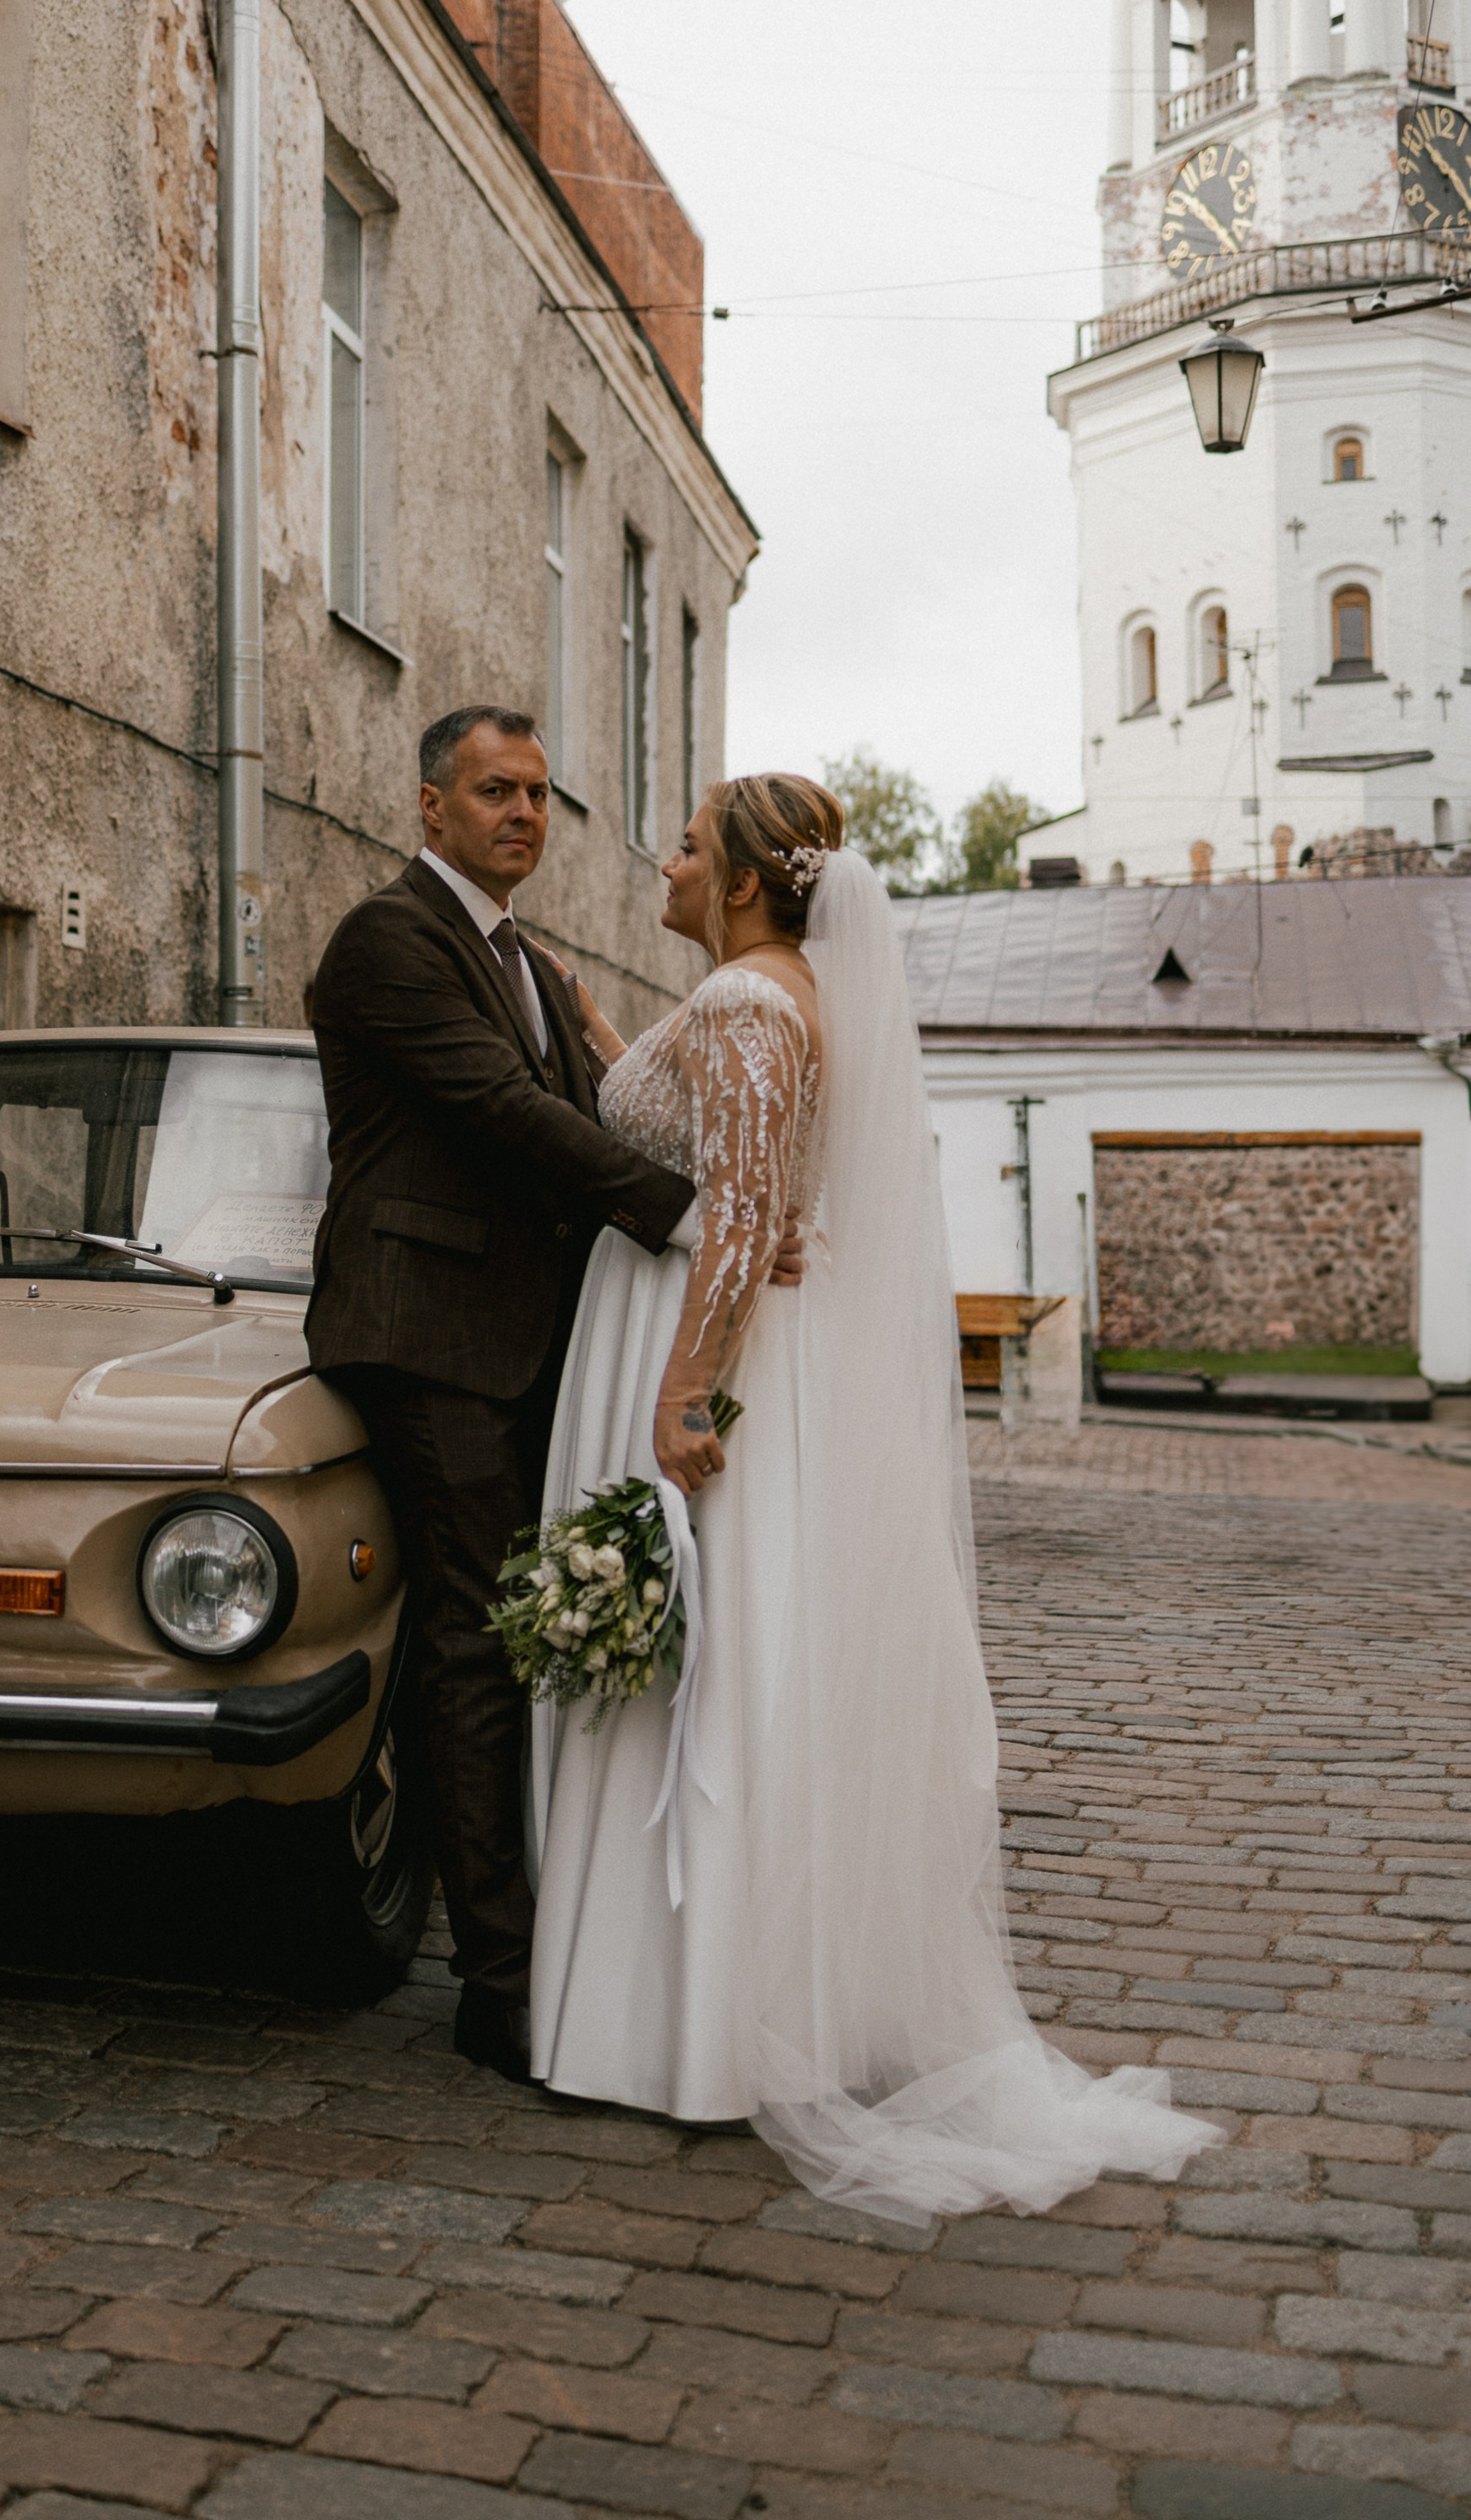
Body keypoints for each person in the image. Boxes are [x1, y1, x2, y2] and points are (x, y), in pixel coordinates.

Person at [526, 773, 1224, 2221]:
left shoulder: (748, 1007)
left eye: (684, 840)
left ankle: (699, 2027)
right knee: (731, 1669)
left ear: (731, 879)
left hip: (710, 1375)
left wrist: (680, 1396)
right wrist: (599, 1031)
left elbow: (738, 1224)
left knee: (712, 1678)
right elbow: (747, 1178)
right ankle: (730, 1998)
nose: (661, 855)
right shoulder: (757, 996)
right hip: (735, 1357)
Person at [306, 706, 700, 2084]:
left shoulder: (528, 956)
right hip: (431, 1336)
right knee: (474, 1644)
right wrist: (688, 1214)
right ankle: (499, 1982)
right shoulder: (390, 938)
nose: (523, 813)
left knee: (523, 1638)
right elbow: (502, 1114)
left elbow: (592, 1105)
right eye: (494, 791)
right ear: (429, 807)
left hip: (534, 1344)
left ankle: (547, 1927)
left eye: (537, 793)